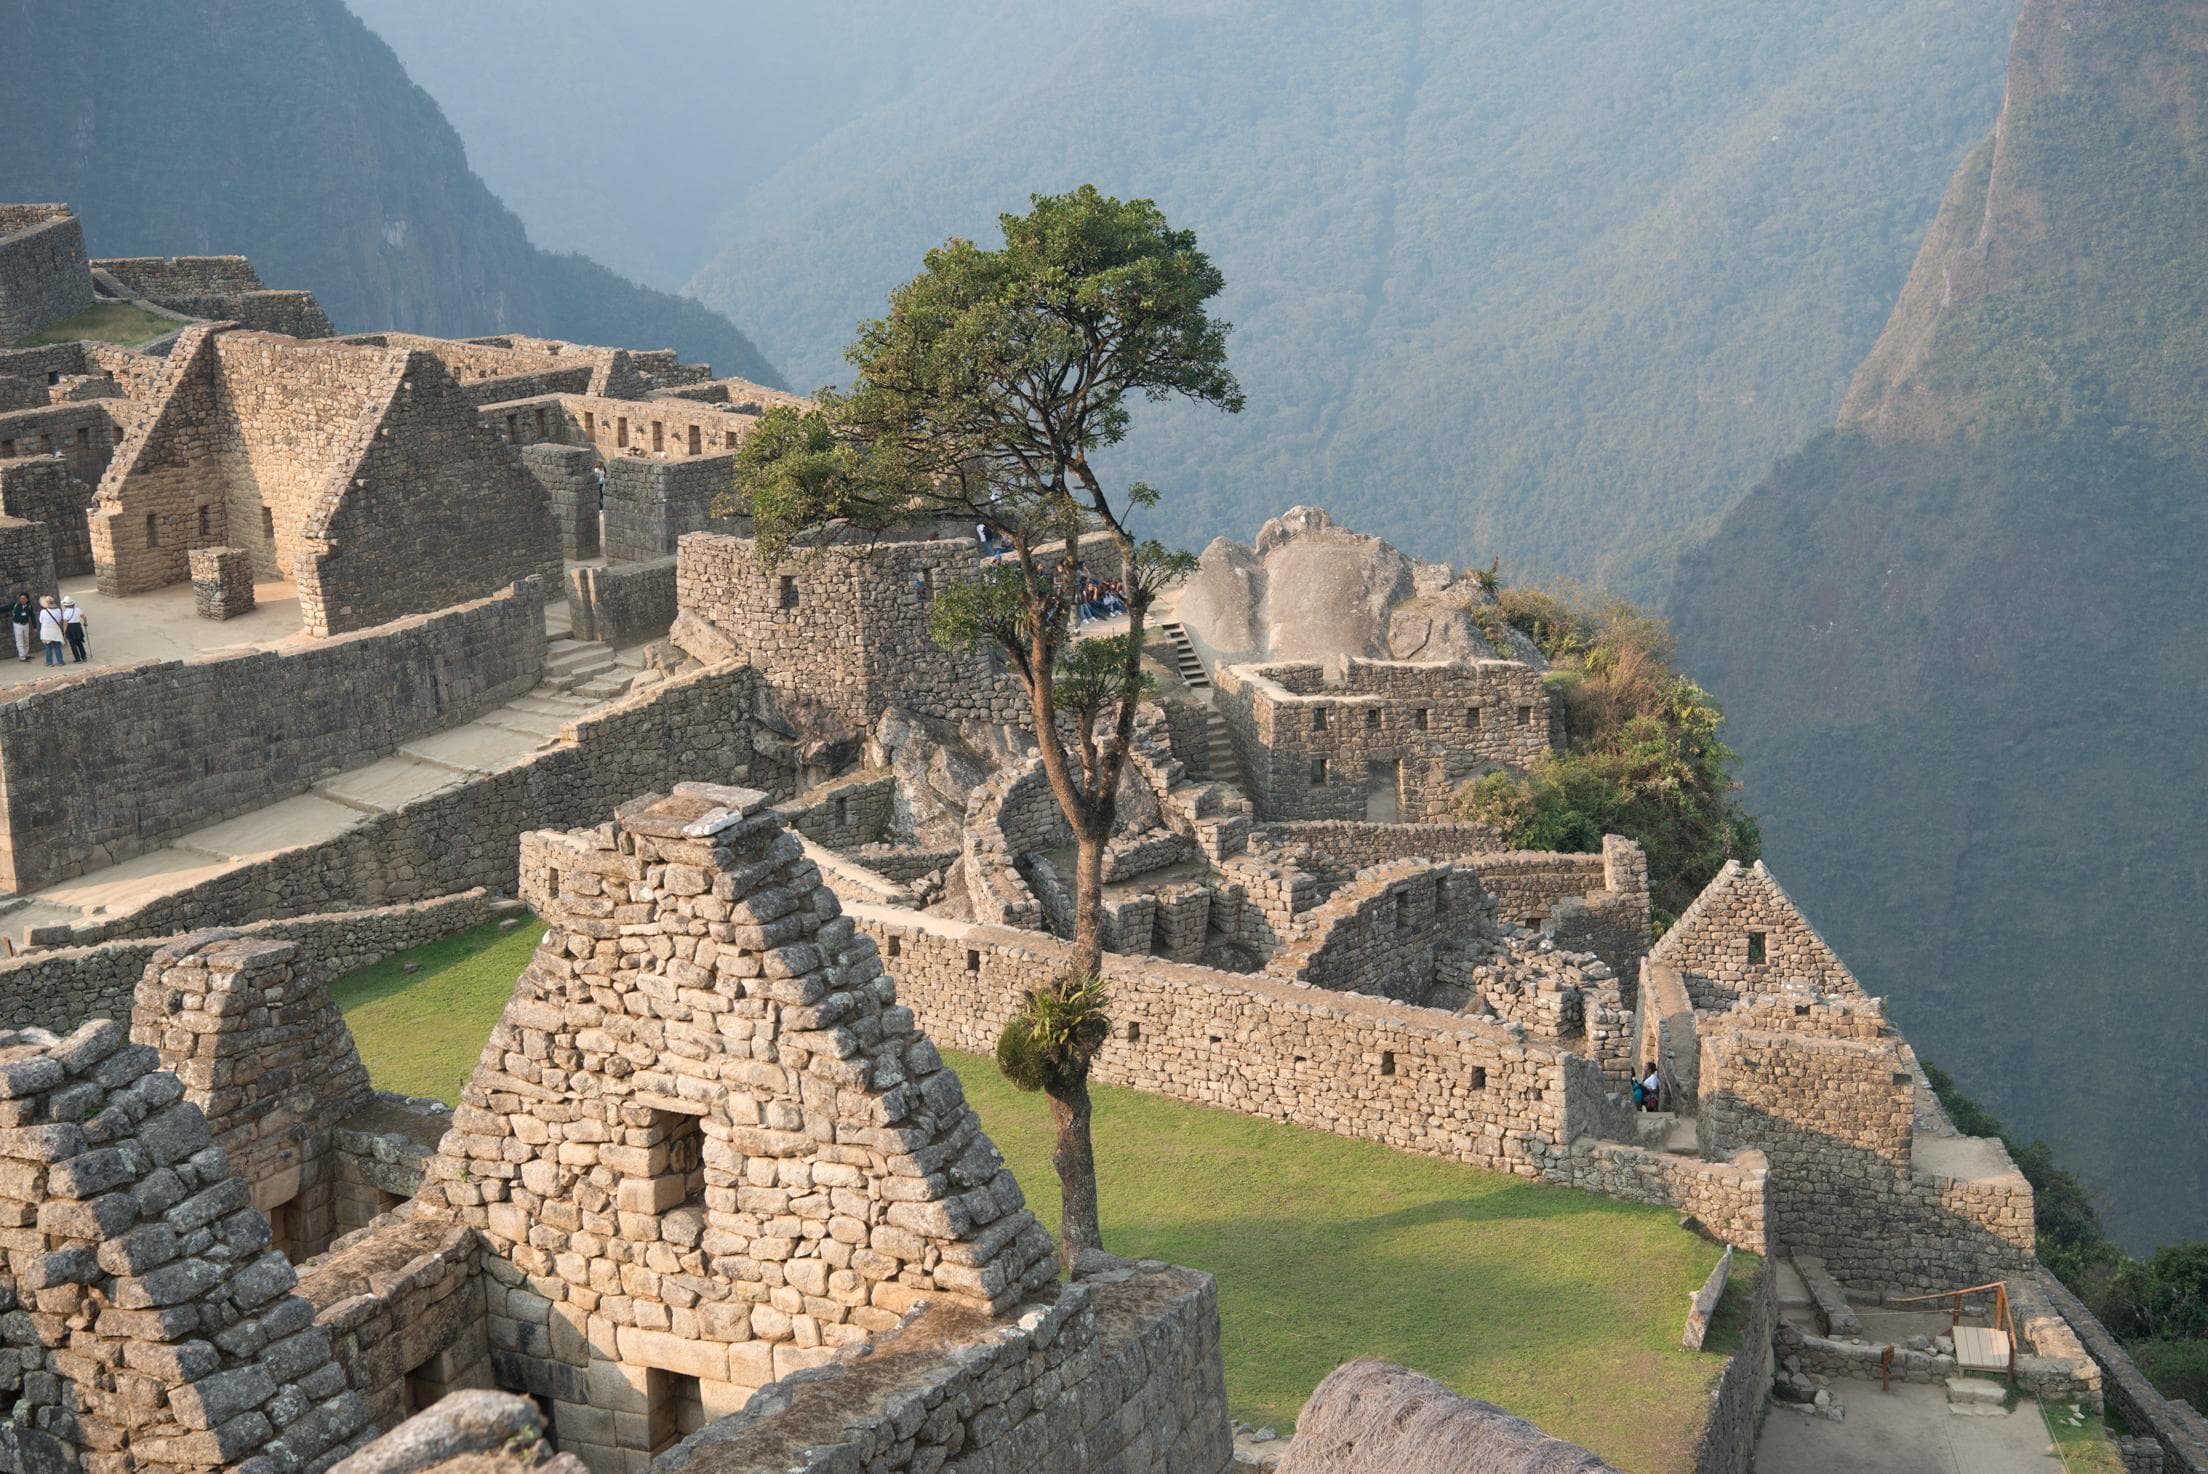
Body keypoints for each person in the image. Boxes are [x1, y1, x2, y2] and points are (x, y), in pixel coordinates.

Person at [35, 596, 65, 667]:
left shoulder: (43, 611)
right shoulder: (58, 610)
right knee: (57, 647)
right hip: (56, 631)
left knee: (48, 647)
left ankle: (49, 662)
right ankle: (60, 661)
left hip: (46, 632)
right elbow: (60, 619)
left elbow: (41, 621)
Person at [59, 596, 87, 663]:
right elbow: (84, 617)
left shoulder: (66, 613)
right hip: (77, 626)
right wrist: (85, 623)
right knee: (79, 642)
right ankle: (84, 656)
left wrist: (64, 633)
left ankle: (78, 658)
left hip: (70, 628)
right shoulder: (78, 609)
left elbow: (65, 624)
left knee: (73, 644)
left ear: (65, 605)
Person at [9, 592, 30, 661]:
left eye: (24, 598)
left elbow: (32, 615)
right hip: (17, 625)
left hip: (26, 624)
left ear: (27, 599)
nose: (22, 600)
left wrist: (35, 626)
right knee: (19, 641)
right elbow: (5, 608)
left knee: (26, 640)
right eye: (20, 598)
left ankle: (26, 654)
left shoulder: (29, 606)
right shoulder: (15, 605)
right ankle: (22, 657)